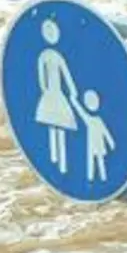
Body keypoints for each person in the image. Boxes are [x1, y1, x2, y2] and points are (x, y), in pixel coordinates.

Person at [33, 18, 80, 175]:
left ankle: (62, 165)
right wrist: (45, 90)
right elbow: (42, 76)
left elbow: (66, 74)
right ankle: (55, 160)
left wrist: (72, 90)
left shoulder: (52, 56)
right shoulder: (45, 56)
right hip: (52, 94)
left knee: (59, 125)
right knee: (53, 125)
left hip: (56, 93)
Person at [78, 90, 114, 183]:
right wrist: (74, 102)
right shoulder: (90, 119)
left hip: (98, 143)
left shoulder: (97, 120)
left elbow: (105, 132)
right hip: (92, 144)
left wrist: (111, 142)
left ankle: (102, 178)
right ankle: (91, 178)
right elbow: (80, 112)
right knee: (92, 161)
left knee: (99, 160)